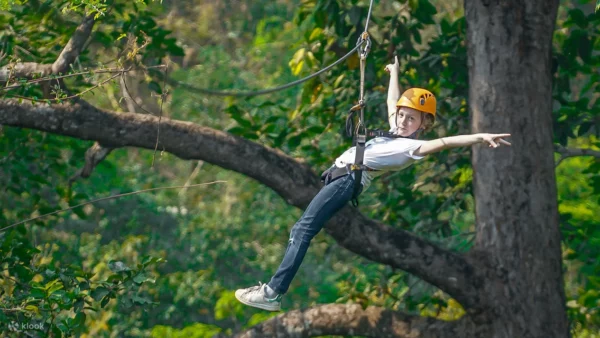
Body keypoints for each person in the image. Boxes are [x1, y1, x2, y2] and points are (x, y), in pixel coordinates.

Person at [234, 58, 511, 311]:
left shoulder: (412, 146)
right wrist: (395, 74)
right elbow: (393, 103)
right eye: (403, 115)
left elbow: (444, 142)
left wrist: (479, 136)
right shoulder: (394, 132)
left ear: (424, 124)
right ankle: (273, 291)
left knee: (302, 229)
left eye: (411, 118)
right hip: (341, 178)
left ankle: (272, 292)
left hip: (347, 180)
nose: (403, 120)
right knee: (302, 229)